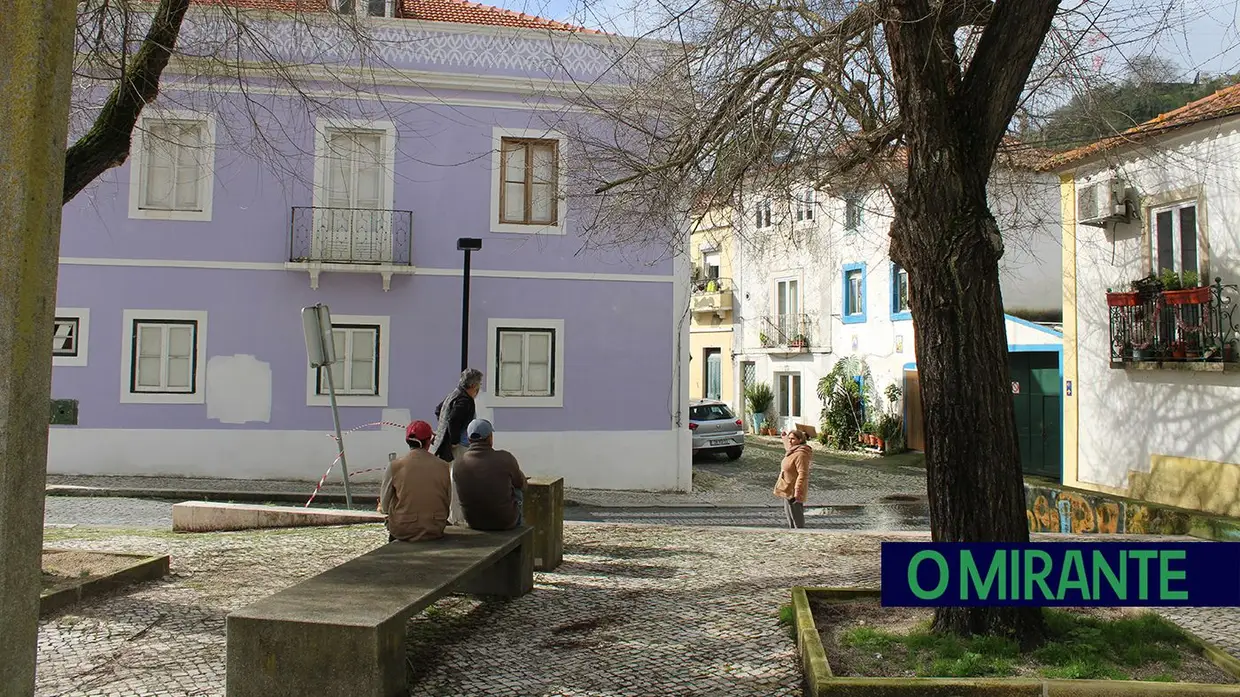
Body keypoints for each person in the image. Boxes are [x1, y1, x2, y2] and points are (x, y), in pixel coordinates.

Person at [378, 420, 451, 542]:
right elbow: (447, 500)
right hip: (435, 527)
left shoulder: (395, 466)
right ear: (428, 441)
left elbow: (384, 507)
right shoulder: (443, 465)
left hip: (403, 529)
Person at [453, 418, 527, 531]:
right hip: (505, 522)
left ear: (469, 439)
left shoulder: (458, 463)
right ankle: (520, 532)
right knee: (517, 491)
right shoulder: (505, 458)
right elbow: (521, 484)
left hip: (473, 522)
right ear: (490, 438)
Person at [433, 368, 483, 525]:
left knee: (452, 479)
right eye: (479, 385)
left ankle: (452, 515)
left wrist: (442, 431)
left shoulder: (454, 394)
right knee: (456, 480)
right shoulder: (464, 400)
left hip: (447, 445)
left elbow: (438, 410)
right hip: (459, 446)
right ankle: (456, 518)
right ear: (473, 386)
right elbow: (453, 420)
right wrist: (453, 440)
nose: (479, 389)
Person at [773, 429, 812, 529]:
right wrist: (784, 438)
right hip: (787, 489)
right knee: (790, 517)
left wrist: (797, 491)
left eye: (792, 439)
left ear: (799, 440)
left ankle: (801, 536)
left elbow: (803, 474)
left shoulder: (801, 454)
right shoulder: (792, 450)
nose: (790, 441)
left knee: (797, 519)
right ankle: (793, 535)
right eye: (789, 439)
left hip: (794, 491)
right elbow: (788, 446)